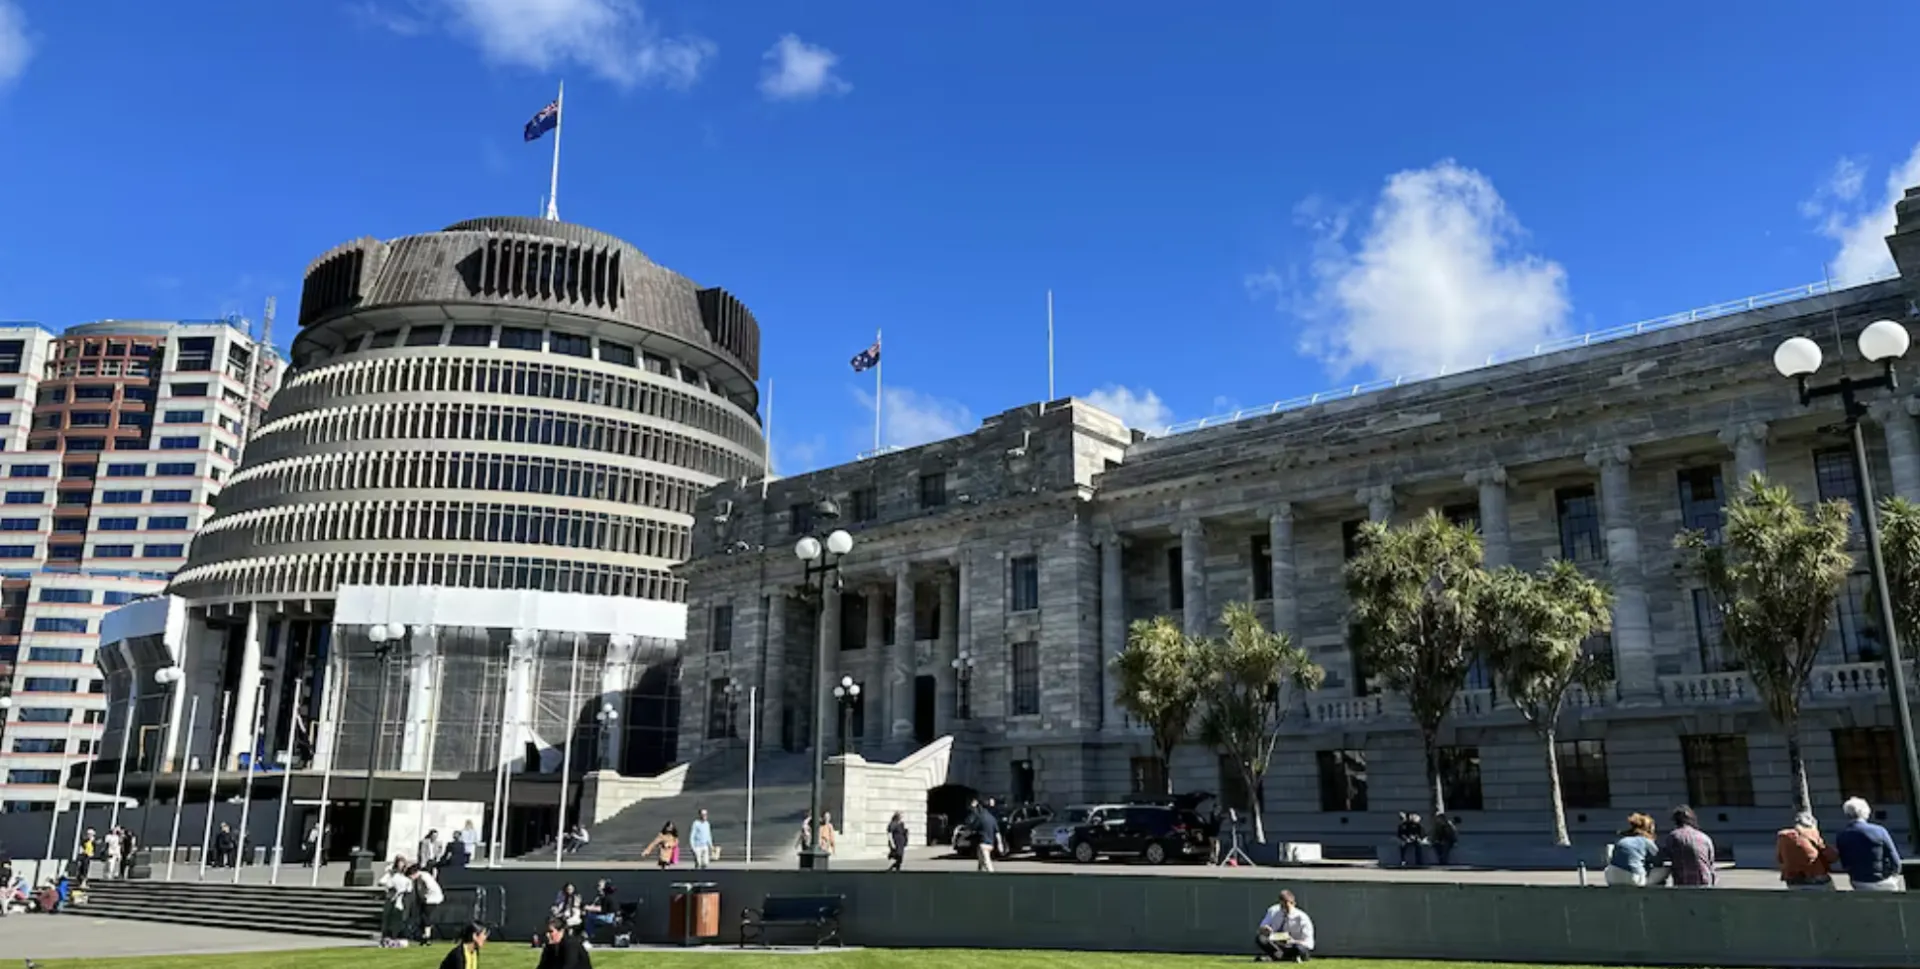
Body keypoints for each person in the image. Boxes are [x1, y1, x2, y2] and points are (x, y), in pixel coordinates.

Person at [1834, 796, 1905, 891]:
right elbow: (1894, 859)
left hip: (1859, 881)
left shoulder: (1842, 835)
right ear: (1866, 812)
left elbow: (1845, 862)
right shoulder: (1879, 830)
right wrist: (1894, 875)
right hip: (1883, 879)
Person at [1657, 805, 1716, 887]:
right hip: (1705, 882)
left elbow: (1665, 857)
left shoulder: (1674, 836)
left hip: (1683, 883)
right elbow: (1711, 864)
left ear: (1676, 821)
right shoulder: (1704, 837)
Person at [1776, 811, 1837, 890]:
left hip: (1793, 879)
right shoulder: (1812, 835)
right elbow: (1831, 856)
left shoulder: (1783, 837)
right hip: (1815, 877)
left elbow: (1779, 858)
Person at [1255, 889, 1316, 962]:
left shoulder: (1302, 918)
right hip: (1278, 944)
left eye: (1286, 907)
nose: (1284, 909)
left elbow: (1309, 943)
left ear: (1293, 904)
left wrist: (1293, 941)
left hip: (1294, 945)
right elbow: (1261, 928)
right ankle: (1282, 957)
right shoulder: (1273, 911)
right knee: (1261, 938)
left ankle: (1277, 957)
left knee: (1300, 949)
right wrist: (1265, 929)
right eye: (1282, 906)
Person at [1604, 813, 1663, 888]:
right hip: (1633, 878)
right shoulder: (1646, 841)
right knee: (1664, 870)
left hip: (1612, 876)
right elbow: (1658, 860)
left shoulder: (1623, 840)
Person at [411, 863, 446, 940]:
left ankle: (427, 935)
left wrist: (425, 896)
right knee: (423, 916)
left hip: (432, 899)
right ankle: (424, 934)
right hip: (427, 899)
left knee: (426, 917)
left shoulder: (424, 877)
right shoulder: (421, 877)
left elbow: (430, 887)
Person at [968, 799, 999, 873]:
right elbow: (997, 832)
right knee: (981, 862)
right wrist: (1000, 844)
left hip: (983, 843)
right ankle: (979, 874)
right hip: (990, 844)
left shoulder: (981, 817)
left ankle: (993, 878)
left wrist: (972, 809)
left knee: (987, 862)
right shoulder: (992, 818)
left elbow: (972, 826)